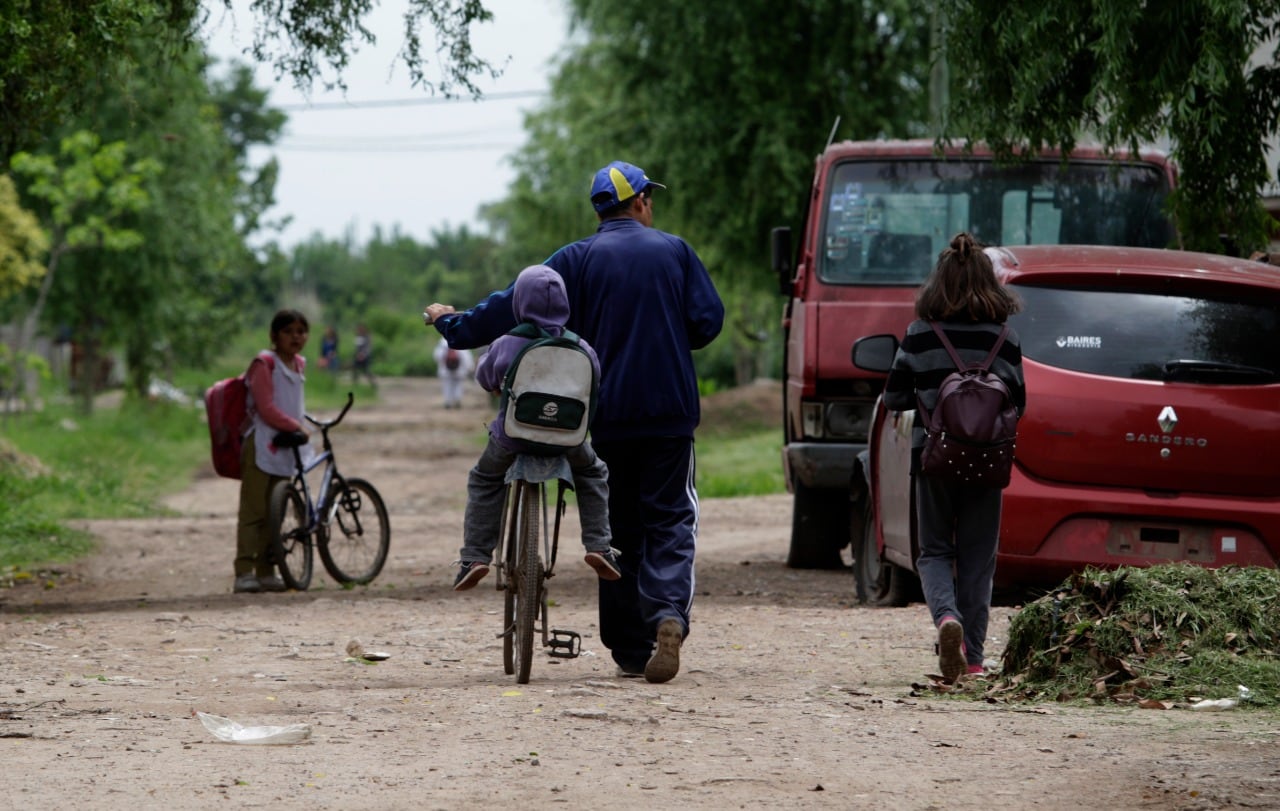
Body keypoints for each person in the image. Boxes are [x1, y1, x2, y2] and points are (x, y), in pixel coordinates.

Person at [425, 160, 724, 683]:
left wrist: (452, 324)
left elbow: (510, 307)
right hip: (669, 413)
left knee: (618, 525)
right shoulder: (676, 252)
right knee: (671, 518)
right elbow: (706, 322)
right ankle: (669, 617)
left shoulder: (574, 259)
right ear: (642, 203)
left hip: (602, 414)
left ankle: (631, 650)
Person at [880, 233, 1026, 682]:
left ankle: (947, 622)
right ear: (990, 283)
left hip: (935, 457)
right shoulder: (1005, 338)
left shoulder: (921, 335)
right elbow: (1018, 403)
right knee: (979, 558)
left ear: (937, 283)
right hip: (988, 461)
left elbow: (894, 398)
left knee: (935, 551)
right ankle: (976, 660)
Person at [450, 264, 621, 591]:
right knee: (593, 473)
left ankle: (475, 557)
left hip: (512, 437)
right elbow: (595, 382)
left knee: (485, 478)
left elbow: (485, 378)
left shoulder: (506, 342)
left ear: (520, 304)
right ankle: (599, 546)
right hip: (567, 440)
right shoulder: (581, 347)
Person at [234, 309, 313, 594]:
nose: (296, 337)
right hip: (261, 444)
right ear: (274, 335)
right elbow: (266, 408)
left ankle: (266, 571)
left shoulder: (299, 364)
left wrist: (302, 424)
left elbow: (294, 404)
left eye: (301, 332)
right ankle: (244, 571)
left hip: (285, 447)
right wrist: (296, 425)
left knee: (275, 513)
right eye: (289, 332)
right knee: (253, 511)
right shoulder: (264, 364)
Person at [432, 336, 473, 409]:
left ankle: (448, 401)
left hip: (445, 370)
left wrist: (441, 364)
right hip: (459, 370)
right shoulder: (460, 338)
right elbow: (466, 357)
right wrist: (469, 367)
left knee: (447, 386)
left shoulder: (443, 341)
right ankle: (457, 400)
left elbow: (437, 356)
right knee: (458, 386)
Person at [351, 323, 376, 389]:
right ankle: (355, 384)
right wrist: (357, 354)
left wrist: (363, 354)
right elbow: (357, 347)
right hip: (358, 356)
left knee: (367, 371)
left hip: (365, 356)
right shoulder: (358, 336)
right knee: (354, 369)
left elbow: (368, 347)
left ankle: (373, 384)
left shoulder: (368, 337)